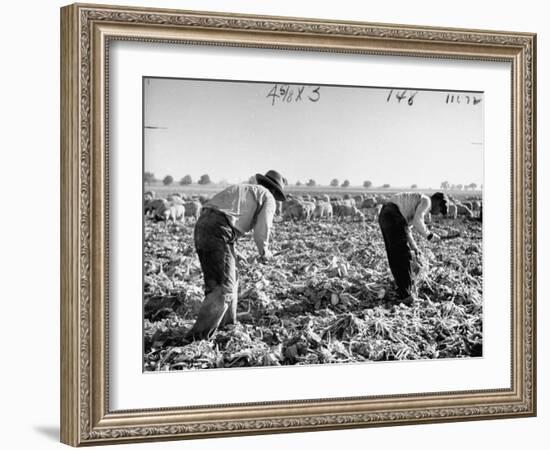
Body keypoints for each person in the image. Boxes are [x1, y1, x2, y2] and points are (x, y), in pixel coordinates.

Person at [187, 170, 286, 340]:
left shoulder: (246, 189)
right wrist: (265, 252)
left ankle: (228, 325)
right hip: (218, 231)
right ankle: (196, 338)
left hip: (204, 225)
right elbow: (263, 229)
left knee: (233, 276)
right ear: (275, 191)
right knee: (222, 289)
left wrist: (234, 252)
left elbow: (222, 218)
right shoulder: (267, 196)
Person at [378, 192, 448, 305]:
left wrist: (415, 247)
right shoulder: (427, 201)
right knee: (403, 256)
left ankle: (402, 291)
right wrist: (429, 235)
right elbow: (418, 221)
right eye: (440, 209)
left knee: (394, 255)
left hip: (385, 214)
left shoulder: (413, 205)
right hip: (393, 214)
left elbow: (406, 229)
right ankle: (406, 295)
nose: (438, 213)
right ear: (438, 202)